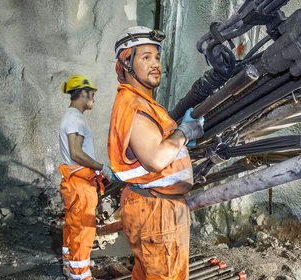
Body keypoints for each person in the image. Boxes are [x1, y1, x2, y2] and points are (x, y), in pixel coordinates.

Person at [108, 26, 205, 279]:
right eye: (146, 57)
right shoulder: (134, 105)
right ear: (126, 64)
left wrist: (178, 142)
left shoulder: (142, 103)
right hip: (156, 212)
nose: (155, 64)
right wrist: (184, 133)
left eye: (157, 57)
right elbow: (155, 159)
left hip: (155, 207)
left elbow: (161, 147)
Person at [58, 75, 113, 280]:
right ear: (83, 93)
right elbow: (76, 152)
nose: (94, 98)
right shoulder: (75, 119)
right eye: (92, 94)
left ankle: (69, 267)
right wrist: (101, 167)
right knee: (83, 230)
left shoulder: (70, 117)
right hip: (81, 184)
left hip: (74, 181)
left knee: (72, 225)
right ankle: (80, 276)